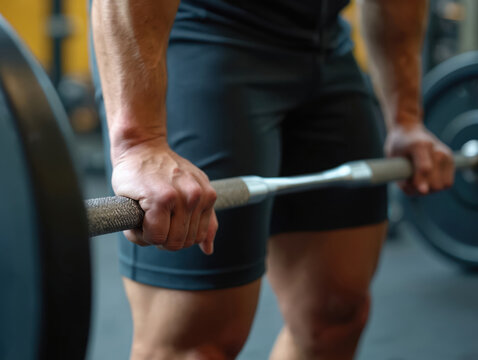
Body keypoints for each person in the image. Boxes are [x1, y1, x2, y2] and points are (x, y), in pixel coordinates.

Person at [89, 0, 455, 359]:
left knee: (335, 315)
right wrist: (140, 142)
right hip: (204, 29)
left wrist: (406, 117)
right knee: (194, 342)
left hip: (326, 45)